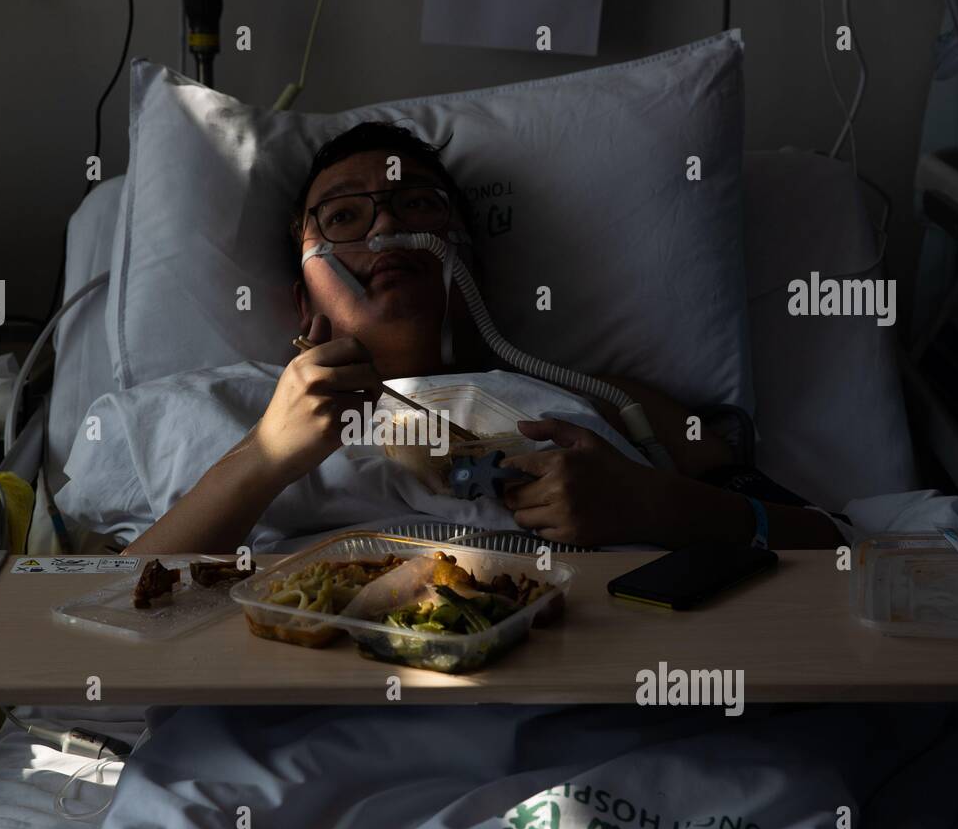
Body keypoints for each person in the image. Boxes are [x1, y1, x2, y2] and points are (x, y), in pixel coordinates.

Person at [124, 121, 843, 556]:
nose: (384, 228)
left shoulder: (606, 405)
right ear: (296, 297)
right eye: (345, 216)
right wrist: (264, 460)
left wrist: (653, 505)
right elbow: (113, 616)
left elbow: (832, 546)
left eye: (415, 206)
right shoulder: (221, 412)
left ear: (470, 263)